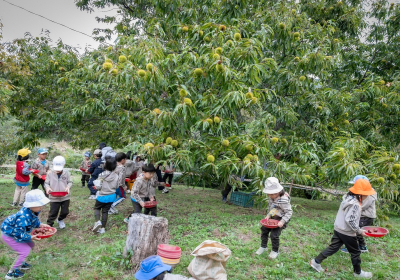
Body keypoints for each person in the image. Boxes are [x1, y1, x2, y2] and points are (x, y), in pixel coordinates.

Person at [310, 179, 376, 278]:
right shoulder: (355, 204)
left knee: (333, 247)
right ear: (360, 193)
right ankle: (358, 273)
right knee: (355, 252)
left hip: (339, 228)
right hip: (347, 232)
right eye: (366, 194)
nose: (367, 196)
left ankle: (316, 261)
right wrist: (359, 231)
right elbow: (350, 220)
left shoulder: (347, 198)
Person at [1, 189, 51, 279]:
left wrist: (40, 225)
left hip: (16, 233)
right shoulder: (23, 216)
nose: (41, 207)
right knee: (24, 250)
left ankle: (20, 262)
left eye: (42, 204)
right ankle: (11, 273)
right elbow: (18, 232)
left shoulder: (34, 211)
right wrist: (31, 236)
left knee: (30, 245)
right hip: (8, 235)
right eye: (39, 205)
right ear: (31, 205)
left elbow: (34, 220)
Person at [256, 177, 292, 259]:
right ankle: (263, 246)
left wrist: (282, 222)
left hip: (282, 218)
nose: (270, 195)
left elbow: (289, 212)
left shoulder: (284, 200)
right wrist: (269, 215)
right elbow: (273, 207)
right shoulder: (271, 197)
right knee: (264, 229)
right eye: (269, 194)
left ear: (278, 191)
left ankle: (275, 251)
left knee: (274, 234)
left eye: (272, 194)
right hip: (274, 216)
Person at [342, 175, 377, 254]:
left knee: (354, 230)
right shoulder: (362, 193)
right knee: (358, 231)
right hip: (362, 215)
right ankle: (362, 246)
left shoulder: (369, 195)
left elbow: (361, 206)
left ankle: (351, 247)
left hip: (366, 216)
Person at [92, 158, 120, 234]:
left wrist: (97, 187)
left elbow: (98, 186)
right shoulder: (116, 176)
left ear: (106, 165)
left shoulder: (102, 175)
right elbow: (117, 186)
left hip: (102, 196)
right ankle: (103, 228)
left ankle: (98, 221)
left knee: (97, 208)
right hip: (112, 196)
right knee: (105, 211)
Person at [44, 156, 72, 229]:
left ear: (64, 165)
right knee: (53, 212)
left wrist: (68, 187)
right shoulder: (50, 173)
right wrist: (47, 188)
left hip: (65, 196)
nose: (58, 171)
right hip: (54, 197)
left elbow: (70, 182)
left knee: (65, 211)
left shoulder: (67, 173)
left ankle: (60, 219)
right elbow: (46, 183)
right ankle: (49, 225)